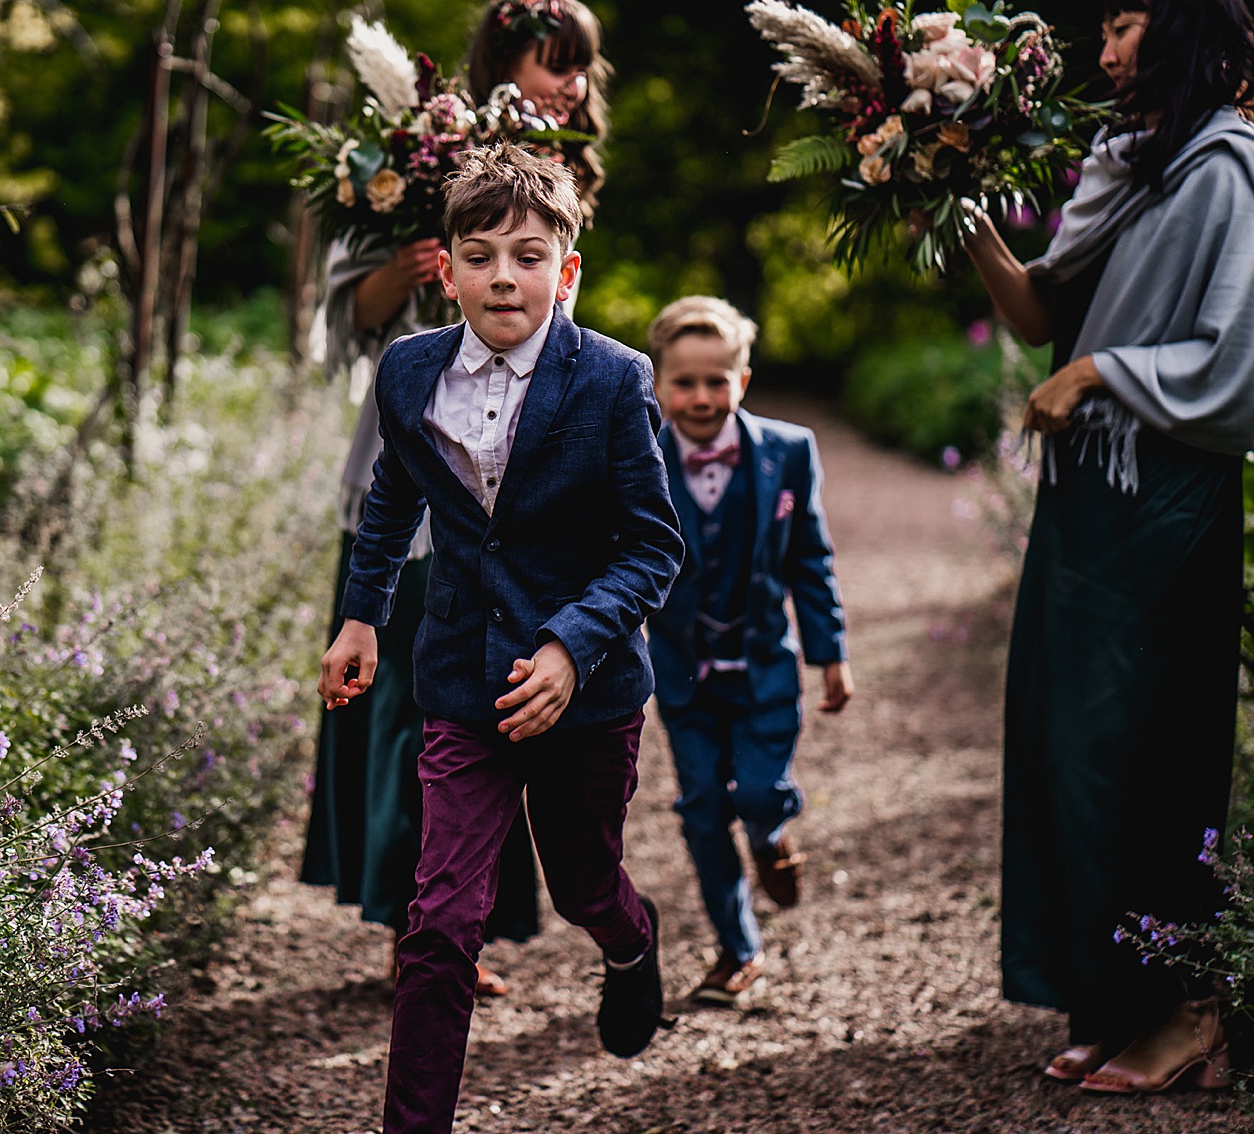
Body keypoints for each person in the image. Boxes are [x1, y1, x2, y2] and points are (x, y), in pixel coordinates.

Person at [317, 143, 684, 1134]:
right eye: (478, 256)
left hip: (587, 691)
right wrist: (361, 615)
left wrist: (571, 648)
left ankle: (628, 939)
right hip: (459, 684)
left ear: (565, 271)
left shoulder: (613, 380)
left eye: (527, 256)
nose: (502, 276)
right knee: (436, 925)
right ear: (445, 269)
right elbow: (393, 496)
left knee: (579, 883)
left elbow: (653, 547)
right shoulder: (407, 371)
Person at [960, 0, 1254, 1094]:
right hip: (1087, 498)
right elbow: (1033, 312)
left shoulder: (1230, 167)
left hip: (1162, 500)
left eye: (1122, 23)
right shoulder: (1127, 162)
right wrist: (944, 194)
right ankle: (1106, 1000)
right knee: (1069, 745)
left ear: (1186, 27)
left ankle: (1188, 1012)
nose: (1101, 52)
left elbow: (1228, 362)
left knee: (1147, 750)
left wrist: (1095, 374)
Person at [301, 0, 612, 998]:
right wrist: (410, 268)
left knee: (483, 707)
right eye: (549, 61)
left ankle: (451, 924)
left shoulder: (564, 175)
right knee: (405, 708)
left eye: (580, 67)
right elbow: (349, 314)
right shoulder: (416, 155)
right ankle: (413, 927)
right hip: (416, 464)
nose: (567, 82)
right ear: (500, 61)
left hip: (513, 471)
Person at [642, 296, 852, 1007]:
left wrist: (832, 653)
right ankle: (739, 952)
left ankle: (770, 836)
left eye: (716, 381)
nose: (700, 397)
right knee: (701, 809)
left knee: (758, 793)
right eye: (683, 382)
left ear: (744, 380)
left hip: (765, 665)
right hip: (683, 673)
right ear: (659, 384)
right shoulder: (639, 458)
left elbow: (811, 562)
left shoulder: (788, 453)